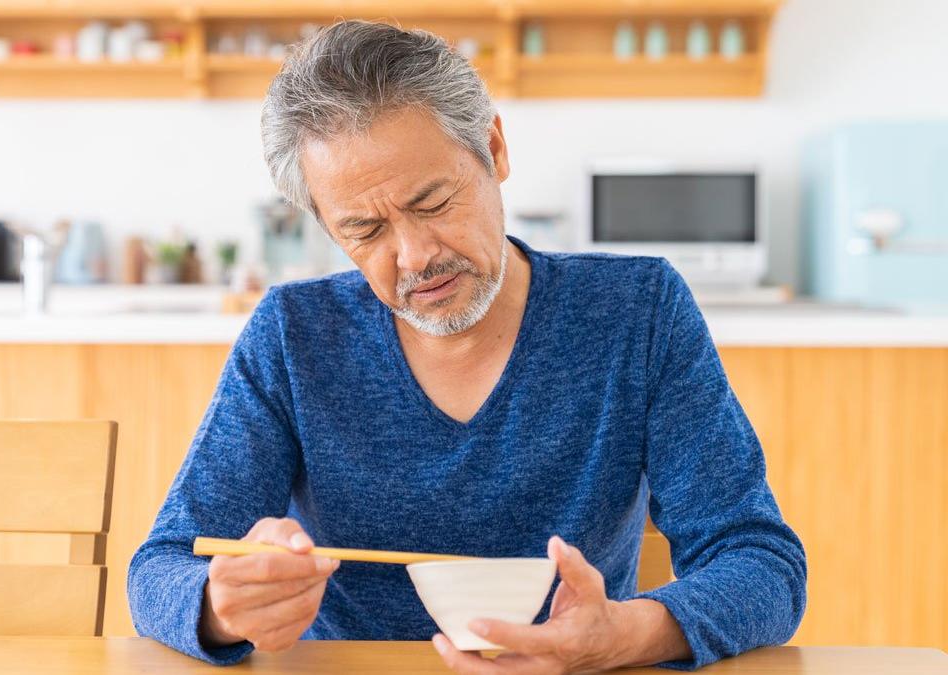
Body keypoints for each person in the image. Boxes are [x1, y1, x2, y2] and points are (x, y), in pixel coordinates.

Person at [128, 19, 806, 673]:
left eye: (432, 203)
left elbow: (761, 562)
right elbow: (159, 568)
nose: (415, 256)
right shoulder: (293, 334)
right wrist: (220, 605)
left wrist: (621, 637)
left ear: (495, 149)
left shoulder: (638, 312)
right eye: (365, 230)